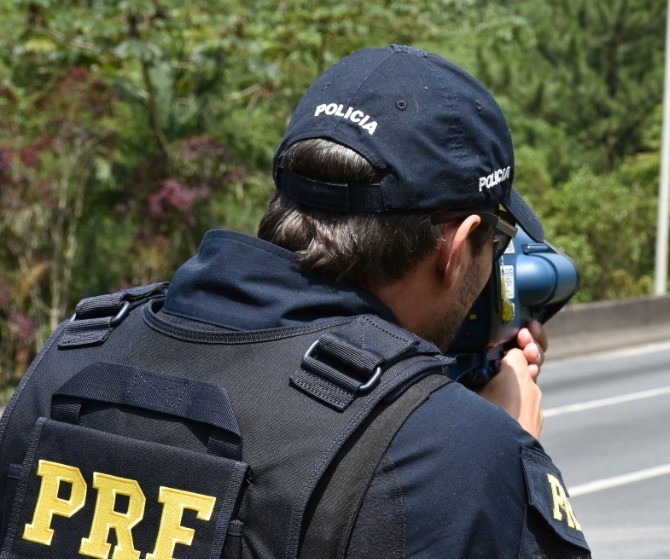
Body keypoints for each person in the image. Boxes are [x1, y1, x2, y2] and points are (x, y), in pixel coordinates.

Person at [0, 45, 589, 559]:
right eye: (497, 241)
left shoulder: (72, 356)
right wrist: (501, 455)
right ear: (456, 249)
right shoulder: (454, 457)